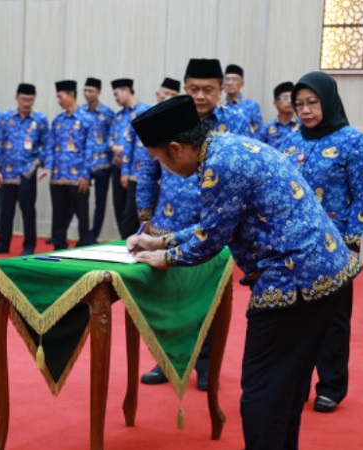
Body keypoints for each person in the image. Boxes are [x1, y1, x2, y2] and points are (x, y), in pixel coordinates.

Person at [128, 95, 361, 449]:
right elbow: (217, 222)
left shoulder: (220, 165)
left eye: (160, 159)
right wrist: (162, 243)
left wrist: (167, 259)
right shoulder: (225, 147)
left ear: (176, 149)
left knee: (262, 393)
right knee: (285, 390)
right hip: (325, 273)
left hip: (294, 281)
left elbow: (210, 239)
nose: (164, 169)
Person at [140, 58, 251, 388]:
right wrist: (145, 214)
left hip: (214, 226)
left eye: (208, 89)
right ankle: (167, 360)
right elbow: (148, 169)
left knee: (210, 299)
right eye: (193, 89)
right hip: (168, 224)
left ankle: (206, 364)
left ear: (221, 89)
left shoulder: (236, 121)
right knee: (169, 301)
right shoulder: (169, 118)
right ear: (184, 88)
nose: (200, 96)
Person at [280, 71, 363, 414]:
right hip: (293, 245)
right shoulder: (290, 142)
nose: (305, 110)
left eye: (312, 103)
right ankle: (296, 383)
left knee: (332, 319)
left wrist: (352, 243)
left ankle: (332, 385)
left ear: (328, 102)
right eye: (299, 104)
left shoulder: (354, 141)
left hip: (335, 246)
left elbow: (362, 196)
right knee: (293, 315)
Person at [0, 83, 48, 256]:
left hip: (27, 173)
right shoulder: (5, 118)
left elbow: (46, 146)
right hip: (7, 173)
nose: (26, 103)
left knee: (28, 211)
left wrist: (37, 164)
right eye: (23, 99)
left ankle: (29, 245)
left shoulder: (40, 120)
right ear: (16, 98)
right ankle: (3, 243)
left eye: (30, 99)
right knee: (5, 211)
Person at [40, 80, 95, 249]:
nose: (58, 100)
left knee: (82, 218)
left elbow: (90, 149)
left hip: (77, 178)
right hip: (57, 177)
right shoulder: (57, 120)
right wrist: (48, 167)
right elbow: (50, 146)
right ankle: (59, 247)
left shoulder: (87, 119)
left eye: (60, 96)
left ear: (71, 95)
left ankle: (84, 248)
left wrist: (86, 175)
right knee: (58, 217)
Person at [110, 78, 150, 238]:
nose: (116, 98)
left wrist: (124, 151)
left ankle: (131, 241)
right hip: (117, 166)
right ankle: (124, 240)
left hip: (135, 170)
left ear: (126, 90)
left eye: (116, 94)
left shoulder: (143, 111)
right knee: (119, 208)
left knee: (131, 212)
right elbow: (109, 138)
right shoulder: (118, 116)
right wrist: (114, 147)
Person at [78, 77, 114, 242]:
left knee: (100, 202)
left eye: (91, 90)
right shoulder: (80, 112)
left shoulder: (107, 113)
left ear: (98, 92)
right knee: (79, 199)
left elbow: (113, 136)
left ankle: (94, 235)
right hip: (84, 164)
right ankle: (83, 233)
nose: (87, 94)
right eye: (85, 90)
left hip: (103, 164)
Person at [221, 64, 263, 135]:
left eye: (234, 79)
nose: (230, 83)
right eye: (227, 79)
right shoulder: (219, 106)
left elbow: (258, 133)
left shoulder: (251, 106)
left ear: (242, 84)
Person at [256, 81, 300, 149]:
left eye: (292, 98)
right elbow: (259, 149)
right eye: (285, 98)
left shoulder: (303, 126)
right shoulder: (267, 128)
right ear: (275, 103)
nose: (289, 101)